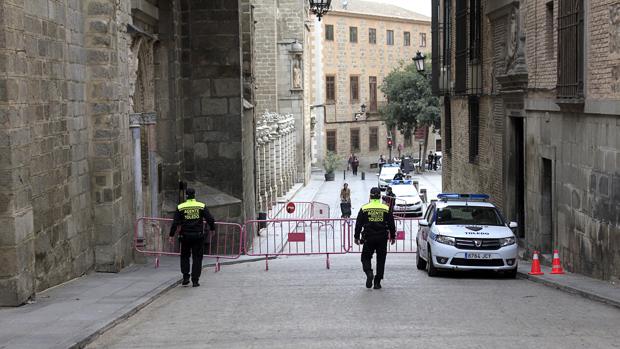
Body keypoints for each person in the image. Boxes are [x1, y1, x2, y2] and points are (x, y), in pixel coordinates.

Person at [169, 188, 215, 287]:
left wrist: (171, 235)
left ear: (186, 195)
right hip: (198, 236)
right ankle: (195, 280)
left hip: (185, 236)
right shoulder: (201, 206)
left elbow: (175, 223)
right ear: (194, 195)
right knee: (197, 258)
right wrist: (212, 228)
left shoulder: (181, 207)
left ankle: (185, 277)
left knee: (185, 256)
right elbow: (210, 219)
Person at [354, 187, 396, 289]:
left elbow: (358, 224)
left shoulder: (364, 208)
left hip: (369, 238)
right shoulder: (386, 208)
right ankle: (377, 282)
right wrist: (393, 236)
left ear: (370, 196)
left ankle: (369, 272)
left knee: (365, 257)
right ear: (380, 197)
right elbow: (391, 223)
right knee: (381, 260)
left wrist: (356, 237)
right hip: (382, 238)